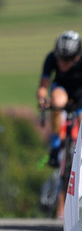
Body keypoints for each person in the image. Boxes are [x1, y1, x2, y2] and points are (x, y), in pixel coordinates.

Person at [37, 30, 82, 167]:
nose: (62, 63)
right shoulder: (51, 58)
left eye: (66, 60)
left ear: (76, 57)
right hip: (61, 88)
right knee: (57, 102)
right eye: (60, 58)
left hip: (80, 91)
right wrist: (42, 99)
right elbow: (43, 86)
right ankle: (55, 146)